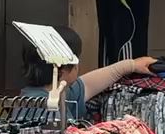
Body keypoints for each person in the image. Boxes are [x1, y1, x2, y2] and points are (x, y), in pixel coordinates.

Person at [19, 26, 156, 119]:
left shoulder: (60, 91)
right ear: (61, 69)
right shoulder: (41, 109)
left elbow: (88, 83)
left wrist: (132, 65)